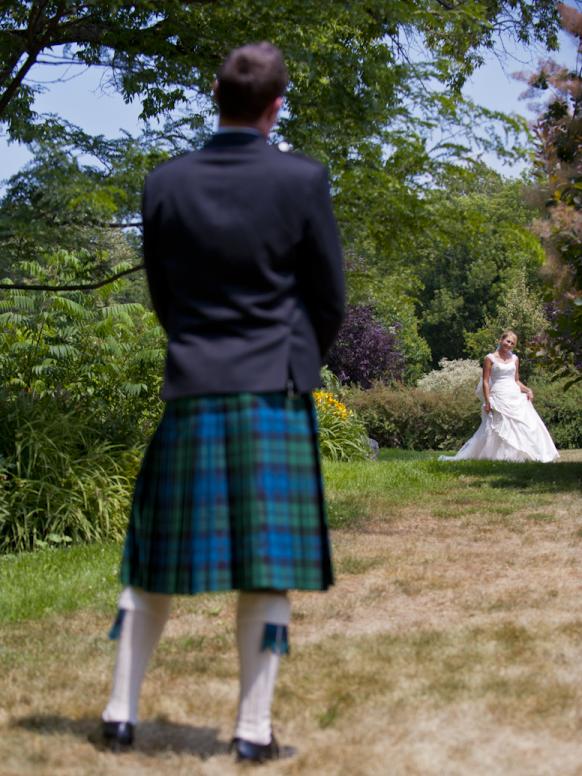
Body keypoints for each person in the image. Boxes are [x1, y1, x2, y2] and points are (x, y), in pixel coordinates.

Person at [100, 42, 345, 763]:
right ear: (276, 107)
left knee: (152, 561)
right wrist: (296, 358)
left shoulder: (164, 183)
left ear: (215, 96)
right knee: (268, 565)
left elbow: (163, 299)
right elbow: (328, 297)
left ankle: (119, 714)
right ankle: (252, 731)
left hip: (194, 387)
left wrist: (199, 347)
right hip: (272, 389)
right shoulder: (302, 179)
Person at [439, 330, 559, 462]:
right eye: (508, 341)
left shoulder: (515, 359)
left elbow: (516, 380)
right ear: (501, 340)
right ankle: (498, 456)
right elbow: (485, 381)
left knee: (525, 425)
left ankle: (524, 455)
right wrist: (487, 400)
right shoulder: (489, 358)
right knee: (498, 426)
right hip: (498, 396)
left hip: (514, 395)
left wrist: (527, 390)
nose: (509, 345)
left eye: (512, 344)